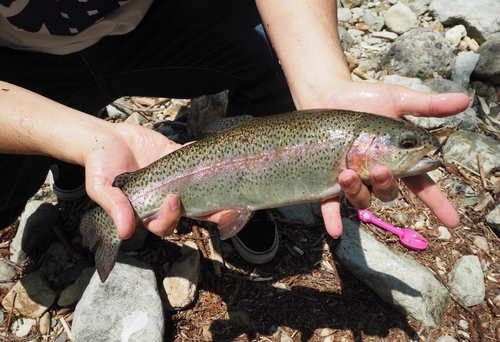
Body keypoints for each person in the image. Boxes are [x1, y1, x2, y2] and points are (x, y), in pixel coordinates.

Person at [0, 0, 469, 243]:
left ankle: (246, 210)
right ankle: (69, 160)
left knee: (276, 61)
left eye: (404, 144)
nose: (417, 150)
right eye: (407, 144)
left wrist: (321, 79)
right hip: (14, 67)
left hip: (155, 22)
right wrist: (79, 138)